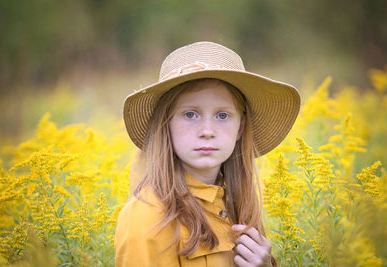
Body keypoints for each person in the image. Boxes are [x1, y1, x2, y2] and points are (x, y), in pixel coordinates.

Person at [115, 41, 300, 266]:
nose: (207, 132)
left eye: (222, 115)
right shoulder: (148, 218)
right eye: (190, 114)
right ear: (166, 124)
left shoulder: (236, 207)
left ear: (240, 128)